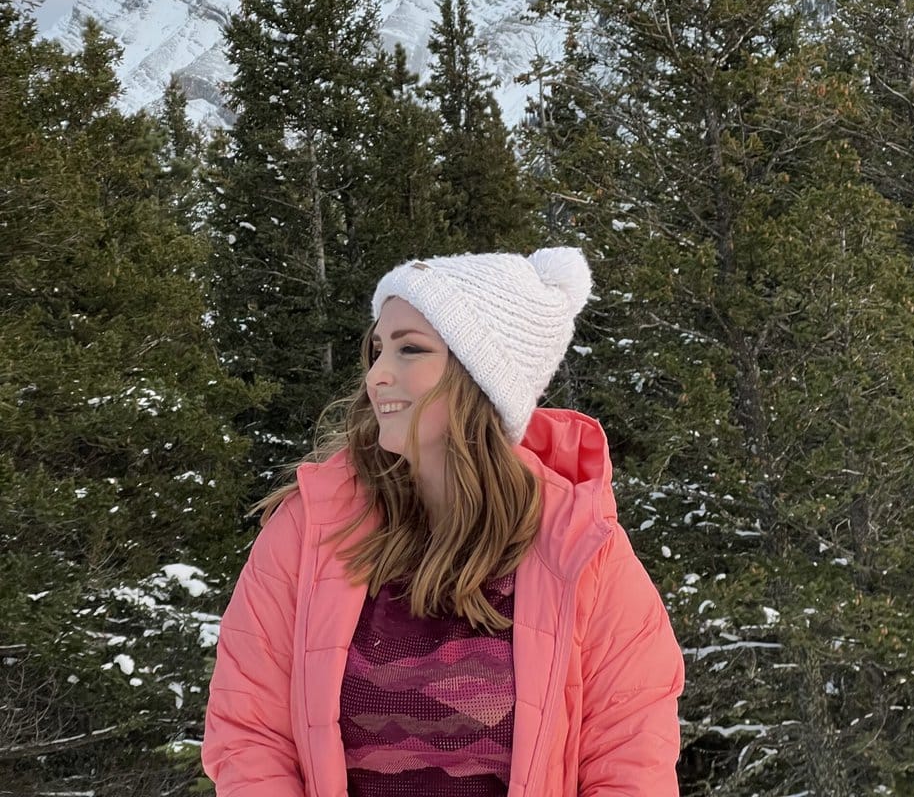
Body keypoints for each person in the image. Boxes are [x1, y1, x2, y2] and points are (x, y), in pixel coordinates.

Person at [202, 247, 684, 796]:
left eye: (411, 350)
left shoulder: (582, 551)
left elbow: (630, 765)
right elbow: (249, 736)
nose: (377, 375)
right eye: (378, 348)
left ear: (479, 379)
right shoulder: (307, 529)